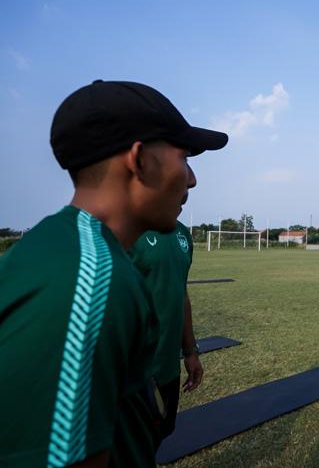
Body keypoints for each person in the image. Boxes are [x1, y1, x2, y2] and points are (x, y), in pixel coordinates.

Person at [0, 80, 227, 467]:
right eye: (184, 158)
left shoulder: (66, 249)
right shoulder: (88, 282)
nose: (192, 179)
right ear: (139, 160)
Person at [130, 220, 203, 446]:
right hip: (134, 377)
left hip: (168, 368)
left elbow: (182, 293)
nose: (183, 204)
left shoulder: (182, 234)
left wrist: (190, 351)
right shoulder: (125, 228)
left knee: (158, 437)